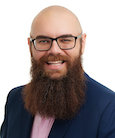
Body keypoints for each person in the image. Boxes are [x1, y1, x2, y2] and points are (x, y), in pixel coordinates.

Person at [0, 5, 115, 138]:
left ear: (82, 43)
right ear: (30, 46)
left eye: (65, 40)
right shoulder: (15, 99)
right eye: (43, 41)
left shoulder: (108, 107)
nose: (54, 50)